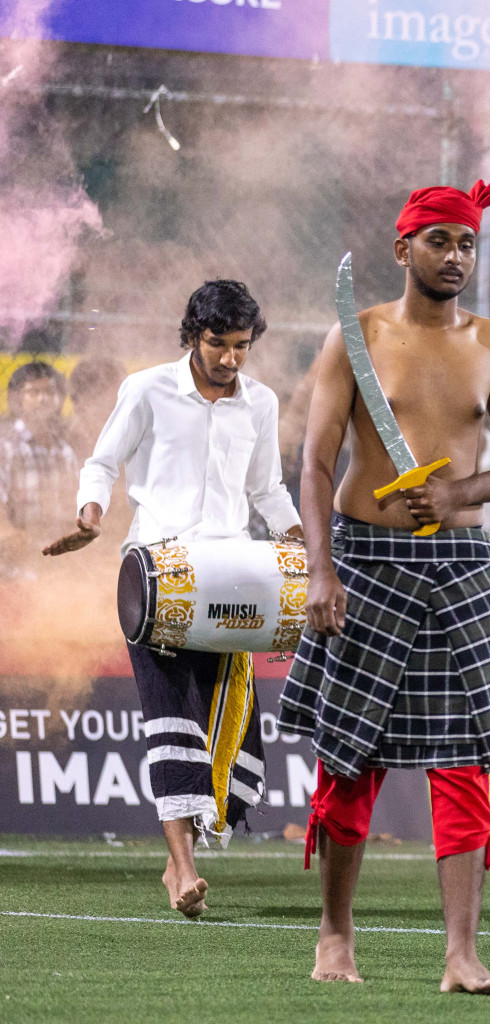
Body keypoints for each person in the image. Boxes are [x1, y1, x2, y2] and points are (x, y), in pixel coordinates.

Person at [277, 180, 490, 995]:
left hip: (460, 567)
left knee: (463, 765)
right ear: (404, 250)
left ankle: (461, 956)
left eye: (466, 244)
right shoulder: (355, 337)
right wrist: (320, 569)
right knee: (348, 762)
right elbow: (316, 464)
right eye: (439, 243)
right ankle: (334, 936)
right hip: (362, 559)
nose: (455, 257)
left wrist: (460, 494)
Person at [43, 281, 302, 918]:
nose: (231, 359)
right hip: (155, 576)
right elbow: (102, 462)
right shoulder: (147, 389)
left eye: (242, 346)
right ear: (193, 335)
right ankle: (183, 868)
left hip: (234, 579)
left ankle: (177, 856)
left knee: (217, 720)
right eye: (219, 344)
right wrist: (91, 512)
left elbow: (267, 490)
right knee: (171, 715)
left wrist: (299, 542)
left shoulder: (261, 403)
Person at [1, 362, 78, 575]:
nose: (43, 399)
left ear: (60, 399)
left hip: (59, 565)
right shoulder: (6, 446)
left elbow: (73, 510)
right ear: (17, 399)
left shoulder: (65, 452)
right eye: (33, 392)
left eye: (49, 391)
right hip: (13, 568)